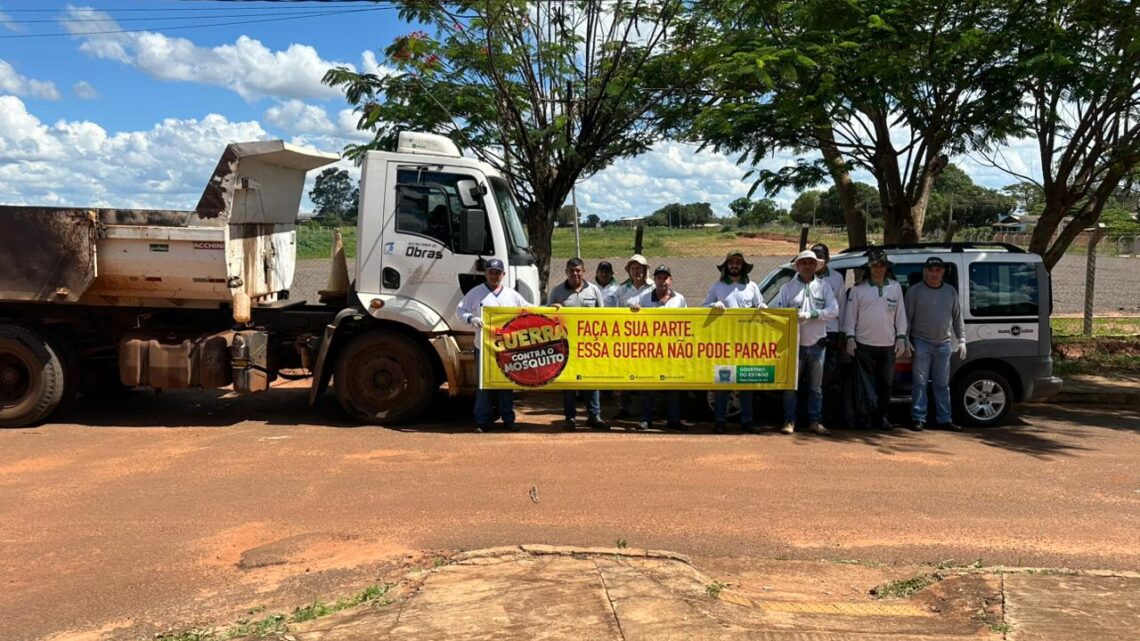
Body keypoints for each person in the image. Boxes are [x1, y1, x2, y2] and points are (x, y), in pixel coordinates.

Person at [455, 258, 532, 433]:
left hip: (506, 349)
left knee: (506, 384)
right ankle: (482, 421)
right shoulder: (476, 293)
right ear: (485, 273)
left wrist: (552, 309)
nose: (493, 275)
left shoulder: (512, 295)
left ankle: (508, 419)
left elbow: (529, 310)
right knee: (484, 385)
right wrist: (470, 318)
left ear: (503, 275)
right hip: (483, 348)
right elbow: (460, 310)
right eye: (490, 272)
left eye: (497, 272)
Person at [773, 250, 839, 435]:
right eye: (804, 262)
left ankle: (815, 421)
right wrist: (792, 317)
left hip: (817, 342)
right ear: (798, 266)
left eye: (811, 262)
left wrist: (812, 314)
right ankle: (789, 420)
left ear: (816, 266)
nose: (808, 266)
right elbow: (778, 314)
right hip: (794, 344)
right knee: (790, 386)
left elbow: (834, 310)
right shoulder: (787, 288)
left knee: (816, 387)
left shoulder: (824, 286)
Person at [702, 249, 767, 434]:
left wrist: (761, 306)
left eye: (738, 262)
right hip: (724, 341)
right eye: (731, 262)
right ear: (726, 265)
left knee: (746, 383)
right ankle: (720, 420)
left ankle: (747, 421)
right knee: (723, 382)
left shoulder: (752, 287)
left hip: (747, 342)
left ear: (743, 266)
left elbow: (759, 305)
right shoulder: (717, 286)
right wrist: (713, 305)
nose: (734, 265)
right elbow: (703, 307)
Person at [843, 249, 908, 431]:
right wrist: (850, 337)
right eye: (874, 266)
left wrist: (901, 336)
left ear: (886, 268)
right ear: (869, 268)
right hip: (864, 345)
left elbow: (900, 314)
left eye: (881, 266)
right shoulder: (858, 290)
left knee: (886, 385)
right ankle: (864, 418)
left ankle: (882, 417)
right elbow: (851, 316)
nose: (878, 269)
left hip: (888, 345)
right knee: (864, 386)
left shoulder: (895, 287)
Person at [905, 256, 966, 431]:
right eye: (930, 270)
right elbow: (907, 318)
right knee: (920, 383)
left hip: (944, 344)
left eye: (937, 270)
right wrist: (905, 338)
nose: (934, 273)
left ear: (943, 272)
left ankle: (944, 418)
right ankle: (918, 418)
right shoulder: (914, 292)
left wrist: (961, 340)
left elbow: (957, 318)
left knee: (942, 384)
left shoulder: (950, 292)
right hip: (921, 343)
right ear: (925, 271)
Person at [548, 257, 609, 431]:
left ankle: (594, 416)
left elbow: (603, 317)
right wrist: (553, 308)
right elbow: (546, 315)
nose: (575, 274)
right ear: (566, 272)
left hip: (590, 347)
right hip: (567, 347)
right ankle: (570, 417)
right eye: (571, 271)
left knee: (592, 381)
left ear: (584, 271)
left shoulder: (594, 291)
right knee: (569, 383)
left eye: (578, 271)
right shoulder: (557, 291)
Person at [630, 265, 687, 431]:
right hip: (651, 350)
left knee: (673, 387)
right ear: (654, 280)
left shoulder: (680, 299)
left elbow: (687, 322)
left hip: (672, 351)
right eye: (659, 278)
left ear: (671, 279)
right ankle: (646, 419)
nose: (663, 281)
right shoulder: (645, 299)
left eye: (665, 277)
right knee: (649, 386)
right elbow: (637, 319)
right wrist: (636, 311)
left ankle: (674, 420)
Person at [606, 254, 652, 419]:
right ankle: (623, 408)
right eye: (633, 268)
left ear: (645, 270)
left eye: (639, 268)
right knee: (625, 375)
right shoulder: (622, 290)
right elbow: (616, 312)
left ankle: (647, 413)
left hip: (648, 340)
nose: (636, 271)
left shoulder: (653, 287)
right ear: (629, 271)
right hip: (627, 340)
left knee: (647, 376)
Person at [812, 243, 847, 426]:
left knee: (828, 377)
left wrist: (842, 332)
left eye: (821, 258)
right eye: (815, 257)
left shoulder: (836, 278)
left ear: (827, 259)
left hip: (831, 331)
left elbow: (842, 305)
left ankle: (826, 417)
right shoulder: (803, 276)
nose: (818, 261)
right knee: (810, 377)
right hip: (809, 332)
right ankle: (810, 416)